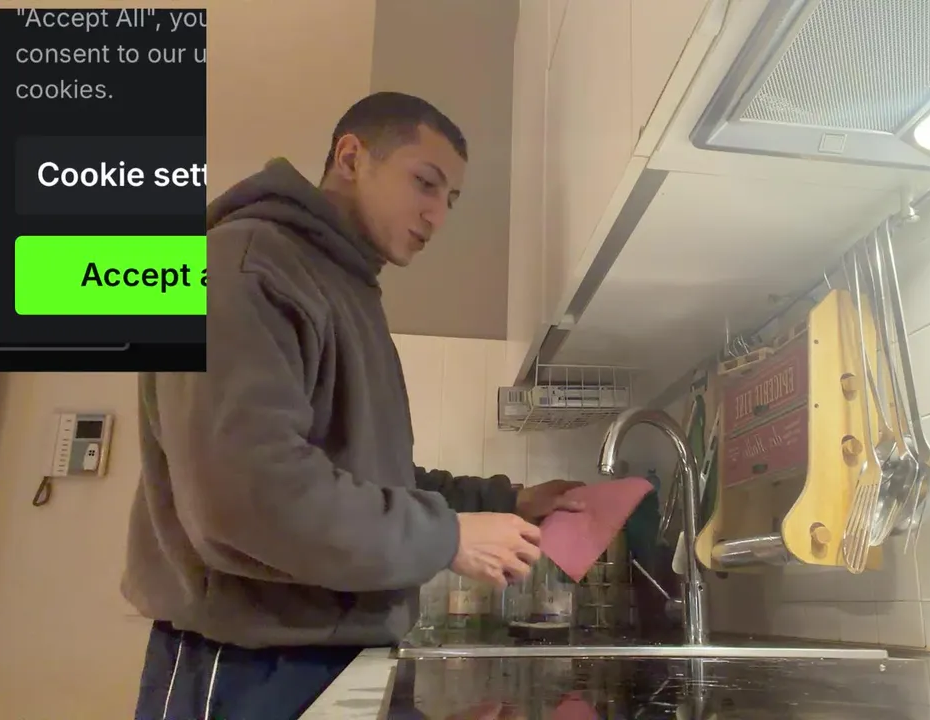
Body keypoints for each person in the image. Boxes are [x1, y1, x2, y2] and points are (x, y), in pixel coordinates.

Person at [124, 92, 585, 720]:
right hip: (246, 668)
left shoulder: (346, 287)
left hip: (328, 655)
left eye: (450, 199)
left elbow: (368, 476)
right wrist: (448, 536)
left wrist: (508, 502)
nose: (437, 215)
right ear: (350, 157)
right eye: (424, 182)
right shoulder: (242, 265)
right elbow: (247, 496)